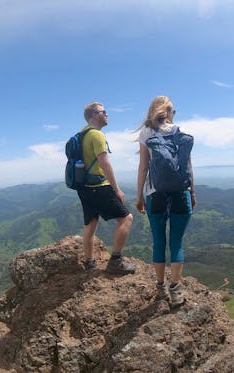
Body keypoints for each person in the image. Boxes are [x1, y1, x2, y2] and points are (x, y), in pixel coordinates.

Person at [136, 96, 196, 307]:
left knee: (159, 241)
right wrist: (192, 192)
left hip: (155, 194)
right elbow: (188, 166)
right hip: (181, 193)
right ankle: (176, 291)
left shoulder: (146, 133)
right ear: (169, 112)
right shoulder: (180, 131)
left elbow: (143, 167)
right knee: (177, 242)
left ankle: (160, 286)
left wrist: (139, 195)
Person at [77, 101, 136, 275]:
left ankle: (89, 262)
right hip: (99, 186)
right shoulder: (96, 135)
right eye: (104, 112)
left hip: (84, 187)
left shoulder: (81, 134)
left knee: (90, 223)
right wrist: (116, 189)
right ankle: (115, 262)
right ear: (95, 115)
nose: (107, 114)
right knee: (126, 219)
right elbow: (105, 162)